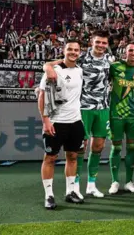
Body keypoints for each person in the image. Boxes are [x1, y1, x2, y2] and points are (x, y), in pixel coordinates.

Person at [43, 30, 113, 198]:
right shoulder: (80, 57)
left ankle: (91, 184)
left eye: (104, 43)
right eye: (98, 42)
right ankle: (75, 187)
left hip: (103, 108)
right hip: (82, 108)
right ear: (92, 42)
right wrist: (47, 66)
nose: (101, 45)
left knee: (98, 147)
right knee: (79, 149)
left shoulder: (110, 60)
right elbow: (56, 63)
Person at [38, 39, 85, 209]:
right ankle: (49, 195)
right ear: (64, 51)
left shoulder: (80, 70)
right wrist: (46, 120)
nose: (73, 52)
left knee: (72, 157)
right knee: (50, 158)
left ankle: (70, 191)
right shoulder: (53, 71)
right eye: (70, 49)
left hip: (75, 121)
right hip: (56, 122)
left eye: (76, 49)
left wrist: (48, 64)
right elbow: (42, 97)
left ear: (80, 52)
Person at [107, 42, 134, 195]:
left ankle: (128, 182)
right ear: (125, 52)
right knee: (116, 147)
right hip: (116, 112)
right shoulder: (114, 67)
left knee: (131, 148)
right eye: (131, 50)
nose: (133, 53)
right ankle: (114, 181)